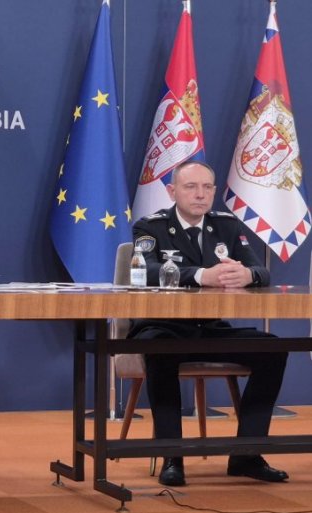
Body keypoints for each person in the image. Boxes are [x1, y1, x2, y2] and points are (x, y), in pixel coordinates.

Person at [129, 160, 288, 487]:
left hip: (210, 328)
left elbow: (261, 271)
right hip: (164, 327)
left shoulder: (226, 226)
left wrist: (247, 275)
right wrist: (202, 276)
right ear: (172, 191)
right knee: (160, 350)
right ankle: (172, 457)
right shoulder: (150, 227)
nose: (199, 194)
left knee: (273, 350)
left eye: (206, 188)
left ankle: (247, 454)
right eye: (190, 187)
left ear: (214, 191)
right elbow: (145, 271)